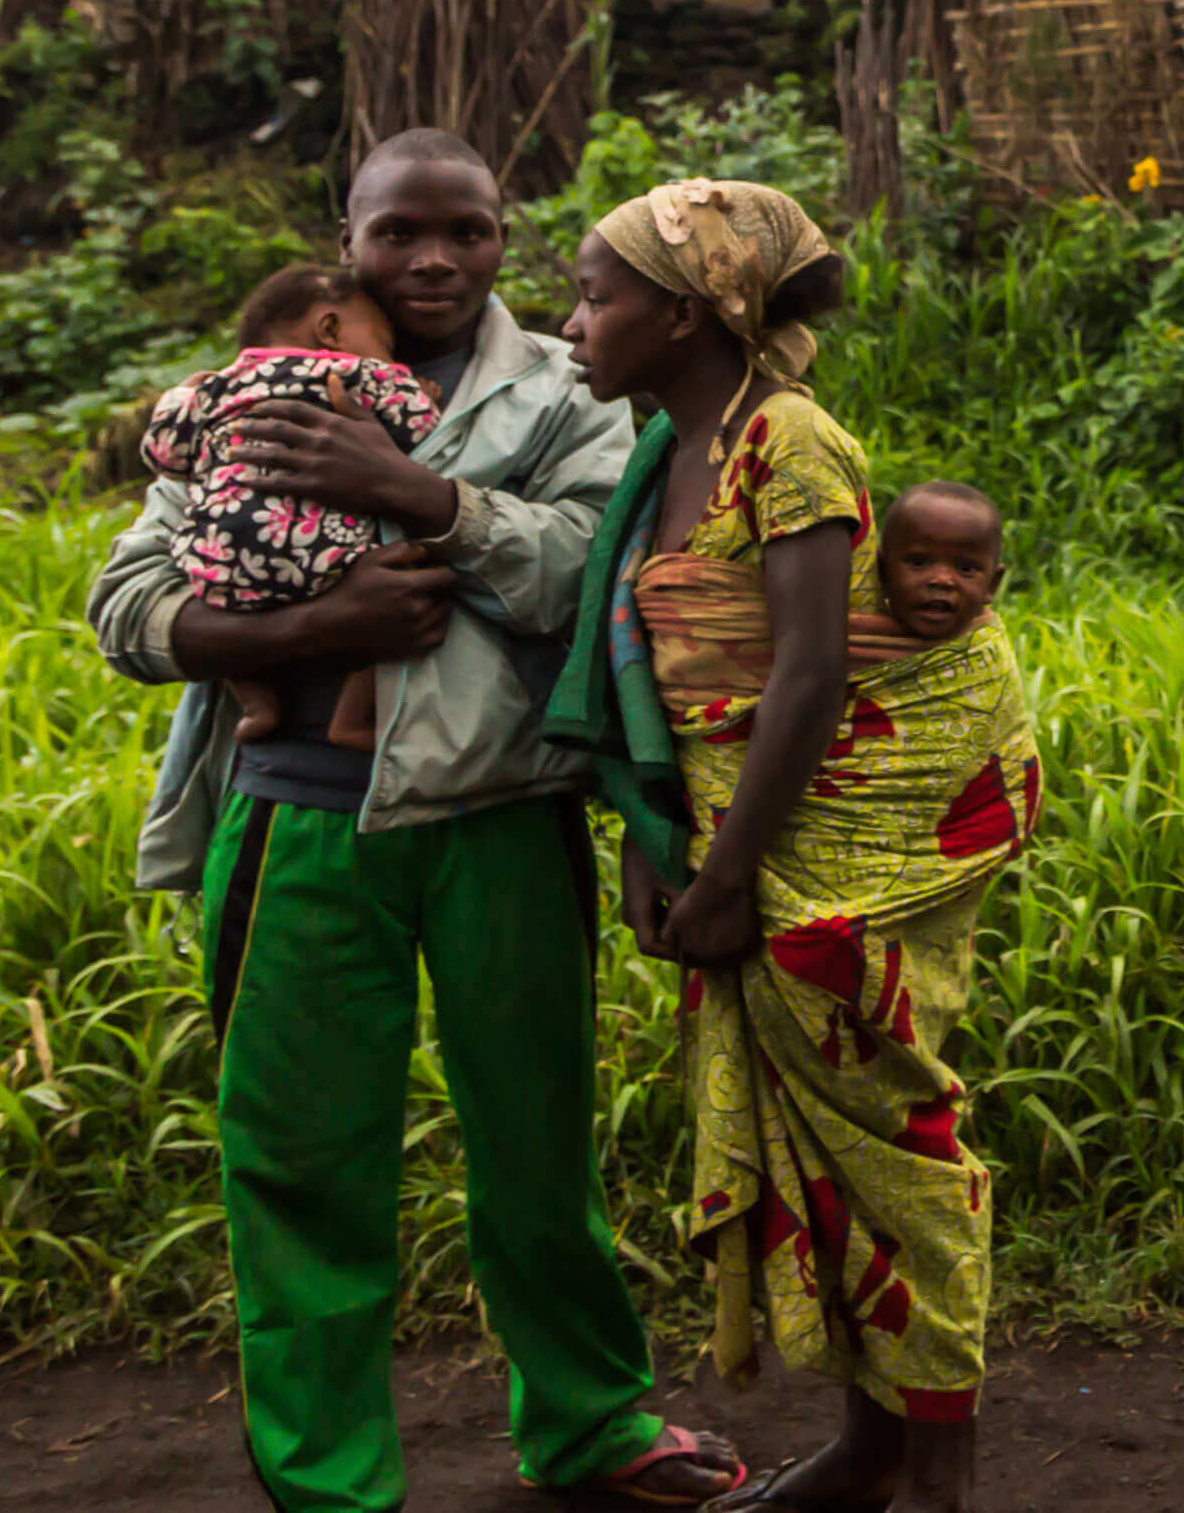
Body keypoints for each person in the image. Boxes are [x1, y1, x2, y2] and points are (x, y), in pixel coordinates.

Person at [87, 130, 739, 1513]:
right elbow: (128, 601)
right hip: (297, 825)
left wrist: (421, 497)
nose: (434, 259)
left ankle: (590, 1422)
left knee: (538, 1140)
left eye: (468, 230)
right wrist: (313, 626)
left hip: (505, 815)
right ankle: (331, 1481)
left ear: (505, 236)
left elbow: (601, 566)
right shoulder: (254, 383)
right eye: (398, 233)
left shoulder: (564, 388)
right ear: (349, 238)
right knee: (300, 1160)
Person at [545, 178, 1040, 1513]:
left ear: (688, 311)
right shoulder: (669, 449)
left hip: (832, 850)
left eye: (595, 295)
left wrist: (724, 876)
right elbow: (663, 679)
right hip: (735, 831)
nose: (573, 322)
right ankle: (871, 1449)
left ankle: (938, 1468)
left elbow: (812, 673)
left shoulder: (790, 440)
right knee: (828, 1160)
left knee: (898, 1146)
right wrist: (657, 843)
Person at [142, 259, 441, 747]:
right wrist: (422, 394)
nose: (389, 353)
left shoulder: (220, 385)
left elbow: (165, 456)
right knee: (391, 598)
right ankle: (351, 718)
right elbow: (422, 432)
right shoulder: (356, 373)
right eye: (383, 340)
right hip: (324, 554)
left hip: (221, 554)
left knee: (225, 614)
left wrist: (181, 395)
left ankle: (256, 703)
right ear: (330, 330)